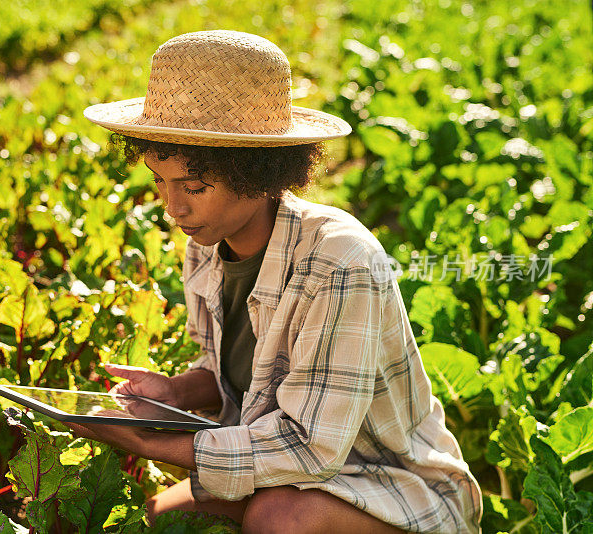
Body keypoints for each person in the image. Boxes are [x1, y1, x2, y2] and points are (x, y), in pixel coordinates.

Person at [67, 30, 483, 533]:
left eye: (194, 187)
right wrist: (177, 392)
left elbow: (309, 447)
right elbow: (237, 377)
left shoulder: (340, 260)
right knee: (151, 523)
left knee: (278, 520)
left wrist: (150, 444)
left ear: (259, 173)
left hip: (392, 487)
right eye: (160, 180)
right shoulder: (204, 243)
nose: (173, 207)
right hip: (280, 473)